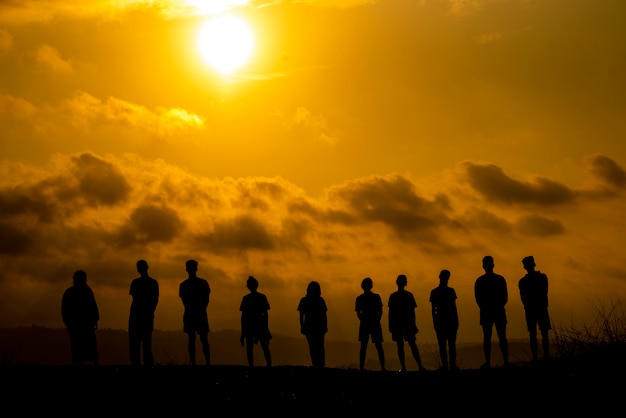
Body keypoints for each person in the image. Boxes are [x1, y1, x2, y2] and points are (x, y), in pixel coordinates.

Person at [474, 255, 511, 369]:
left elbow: (478, 299)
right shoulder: (499, 279)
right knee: (499, 337)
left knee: (490, 337)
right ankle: (504, 362)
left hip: (488, 312)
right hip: (496, 311)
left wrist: (487, 307)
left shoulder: (480, 281)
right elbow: (504, 297)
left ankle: (490, 363)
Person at [387, 274, 427, 372]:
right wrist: (413, 324)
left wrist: (391, 325)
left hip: (398, 324)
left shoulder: (393, 296)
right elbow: (412, 312)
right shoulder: (409, 295)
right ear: (405, 283)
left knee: (401, 346)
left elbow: (391, 313)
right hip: (407, 324)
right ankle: (419, 366)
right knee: (412, 345)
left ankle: (404, 367)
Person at [61, 269, 100, 366]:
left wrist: (68, 323)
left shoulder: (71, 292)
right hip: (82, 325)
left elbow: (64, 309)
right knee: (84, 347)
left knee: (79, 347)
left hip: (80, 325)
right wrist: (95, 319)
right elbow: (93, 306)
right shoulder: (86, 291)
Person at [519, 255, 552, 362]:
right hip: (537, 308)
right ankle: (541, 357)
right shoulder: (541, 278)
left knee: (537, 334)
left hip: (534, 308)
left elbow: (523, 297)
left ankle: (539, 357)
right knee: (539, 333)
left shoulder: (524, 281)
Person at [179, 259, 211, 366]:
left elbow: (184, 301)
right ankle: (207, 363)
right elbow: (206, 300)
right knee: (202, 339)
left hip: (191, 313)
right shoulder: (203, 283)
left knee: (192, 339)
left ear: (186, 269)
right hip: (200, 313)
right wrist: (201, 308)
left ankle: (194, 363)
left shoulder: (184, 285)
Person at [128, 259, 159, 366]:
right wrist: (150, 311)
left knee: (136, 342)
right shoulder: (153, 283)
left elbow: (135, 298)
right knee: (145, 342)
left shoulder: (136, 282)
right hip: (145, 314)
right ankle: (147, 365)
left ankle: (137, 365)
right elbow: (155, 300)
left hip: (137, 314)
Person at [429, 269, 459, 371]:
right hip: (448, 321)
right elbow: (453, 308)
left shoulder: (435, 292)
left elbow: (434, 310)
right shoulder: (450, 291)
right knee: (450, 345)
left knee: (444, 345)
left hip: (442, 321)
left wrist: (435, 322)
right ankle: (451, 366)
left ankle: (446, 366)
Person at [239, 276, 272, 367]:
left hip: (249, 325)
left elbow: (243, 317)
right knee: (264, 347)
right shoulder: (262, 297)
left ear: (248, 286)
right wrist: (265, 327)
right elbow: (266, 315)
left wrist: (242, 333)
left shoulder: (246, 299)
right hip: (261, 325)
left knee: (250, 348)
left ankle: (251, 366)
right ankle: (269, 365)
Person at [355, 277, 386, 371]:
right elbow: (380, 311)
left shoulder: (360, 298)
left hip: (366, 323)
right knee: (378, 346)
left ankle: (361, 367)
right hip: (374, 322)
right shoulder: (376, 297)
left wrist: (363, 320)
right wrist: (377, 320)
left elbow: (358, 312)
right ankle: (383, 368)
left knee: (364, 346)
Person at [297, 281, 328, 367]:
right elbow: (324, 316)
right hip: (319, 327)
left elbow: (301, 316)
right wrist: (325, 326)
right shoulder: (321, 300)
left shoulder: (304, 300)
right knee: (320, 346)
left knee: (312, 347)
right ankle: (321, 364)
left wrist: (302, 326)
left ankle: (315, 363)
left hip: (309, 326)